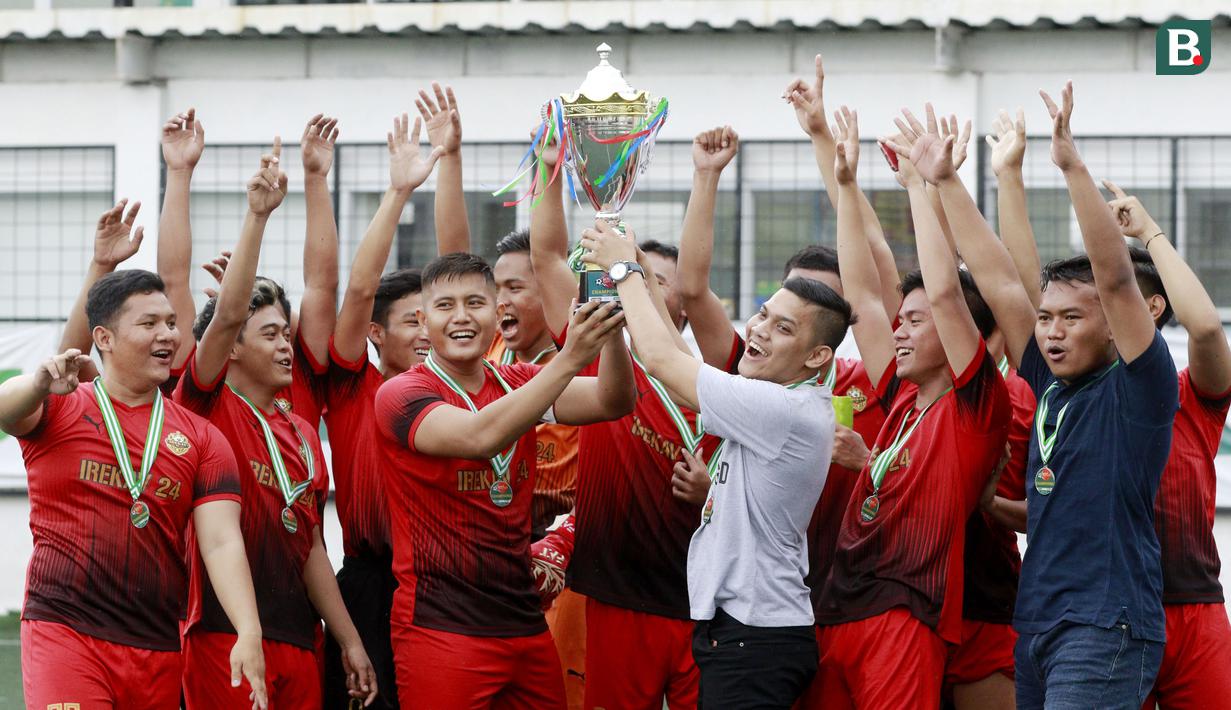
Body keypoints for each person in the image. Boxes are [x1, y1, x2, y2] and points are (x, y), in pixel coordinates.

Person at [903, 83, 1178, 708]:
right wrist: (945, 183)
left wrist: (1069, 164)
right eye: (1045, 317)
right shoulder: (1047, 378)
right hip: (1037, 622)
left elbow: (1112, 275)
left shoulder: (1139, 385)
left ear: (1114, 321)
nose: (1051, 331)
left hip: (1104, 624)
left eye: (1071, 319)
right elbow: (1000, 276)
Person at [581, 218, 850, 708]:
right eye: (764, 314)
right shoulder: (778, 396)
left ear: (817, 356)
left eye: (783, 328)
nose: (760, 331)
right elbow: (670, 349)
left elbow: (663, 359)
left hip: (756, 636)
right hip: (747, 630)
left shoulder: (781, 409)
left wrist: (622, 271)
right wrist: (637, 267)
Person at [0, 263, 269, 709]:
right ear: (103, 338)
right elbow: (6, 411)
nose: (167, 335)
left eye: (170, 323)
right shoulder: (62, 408)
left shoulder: (201, 438)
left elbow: (221, 542)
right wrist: (38, 383)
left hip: (156, 644)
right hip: (66, 629)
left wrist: (249, 630)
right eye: (149, 324)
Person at [374, 252, 635, 708]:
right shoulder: (401, 393)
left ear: (497, 313)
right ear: (422, 320)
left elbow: (614, 400)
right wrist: (569, 358)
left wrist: (609, 329)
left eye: (475, 303)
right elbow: (479, 436)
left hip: (524, 621)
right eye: (444, 306)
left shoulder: (517, 381)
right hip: (442, 626)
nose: (461, 317)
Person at [813, 107, 1011, 708]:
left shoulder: (974, 407)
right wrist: (846, 187)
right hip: (836, 609)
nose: (898, 333)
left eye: (915, 324)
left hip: (905, 613)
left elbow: (946, 292)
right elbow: (864, 298)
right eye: (902, 323)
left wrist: (922, 187)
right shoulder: (901, 400)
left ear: (961, 340)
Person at [175, 140, 378, 708]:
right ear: (231, 351)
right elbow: (228, 315)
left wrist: (348, 640)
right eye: (270, 335)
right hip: (226, 635)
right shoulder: (205, 404)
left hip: (299, 638)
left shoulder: (302, 432)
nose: (287, 346)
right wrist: (258, 216)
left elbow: (308, 540)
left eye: (286, 334)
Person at [529, 140, 718, 710]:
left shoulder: (721, 388)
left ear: (680, 304)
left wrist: (714, 495)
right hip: (618, 596)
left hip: (705, 603)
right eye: (625, 269)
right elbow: (546, 257)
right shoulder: (603, 360)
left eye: (650, 277)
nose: (633, 279)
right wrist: (548, 164)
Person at [319, 113, 443, 710]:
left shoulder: (454, 393)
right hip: (368, 583)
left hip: (442, 586)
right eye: (412, 320)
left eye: (434, 318)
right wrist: (398, 193)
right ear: (374, 333)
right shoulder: (352, 387)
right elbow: (360, 287)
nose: (429, 331)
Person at [1097, 187, 1231, 709]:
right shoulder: (1077, 399)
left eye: (1118, 295)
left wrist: (1150, 234)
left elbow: (1203, 326)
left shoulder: (1191, 394)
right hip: (1107, 616)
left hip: (1193, 609)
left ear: (1153, 307)